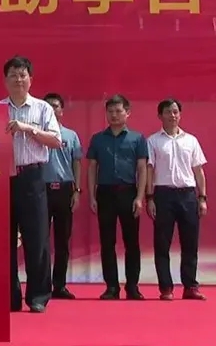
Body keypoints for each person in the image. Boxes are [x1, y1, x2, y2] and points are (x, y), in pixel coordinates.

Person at [0, 56, 61, 313]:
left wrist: (28, 129)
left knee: (37, 238)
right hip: (2, 179)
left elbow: (56, 140)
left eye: (22, 74)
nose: (18, 79)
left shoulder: (43, 109)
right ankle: (8, 297)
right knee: (3, 241)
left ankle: (38, 296)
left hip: (33, 177)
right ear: (5, 80)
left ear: (30, 79)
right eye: (13, 75)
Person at [86, 94, 148, 300]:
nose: (114, 115)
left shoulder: (137, 139)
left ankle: (132, 286)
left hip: (128, 192)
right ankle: (111, 287)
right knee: (107, 242)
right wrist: (92, 196)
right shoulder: (97, 139)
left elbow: (142, 168)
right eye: (110, 111)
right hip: (105, 194)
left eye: (118, 111)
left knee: (132, 243)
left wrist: (139, 197)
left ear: (127, 113)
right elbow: (92, 168)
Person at [145, 98, 208, 301]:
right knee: (162, 243)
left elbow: (198, 171)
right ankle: (166, 288)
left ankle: (190, 286)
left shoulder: (191, 140)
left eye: (175, 112)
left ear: (180, 115)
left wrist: (202, 197)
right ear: (160, 115)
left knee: (190, 242)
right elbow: (149, 170)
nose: (172, 115)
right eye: (168, 112)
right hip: (163, 195)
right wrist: (149, 197)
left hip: (188, 195)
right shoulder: (153, 141)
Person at [41, 93, 83, 299]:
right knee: (40, 241)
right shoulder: (37, 134)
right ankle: (41, 286)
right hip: (41, 190)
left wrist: (77, 190)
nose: (52, 109)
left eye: (55, 106)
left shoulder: (71, 135)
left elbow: (77, 163)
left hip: (65, 190)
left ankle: (59, 285)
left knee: (62, 241)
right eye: (48, 106)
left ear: (62, 111)